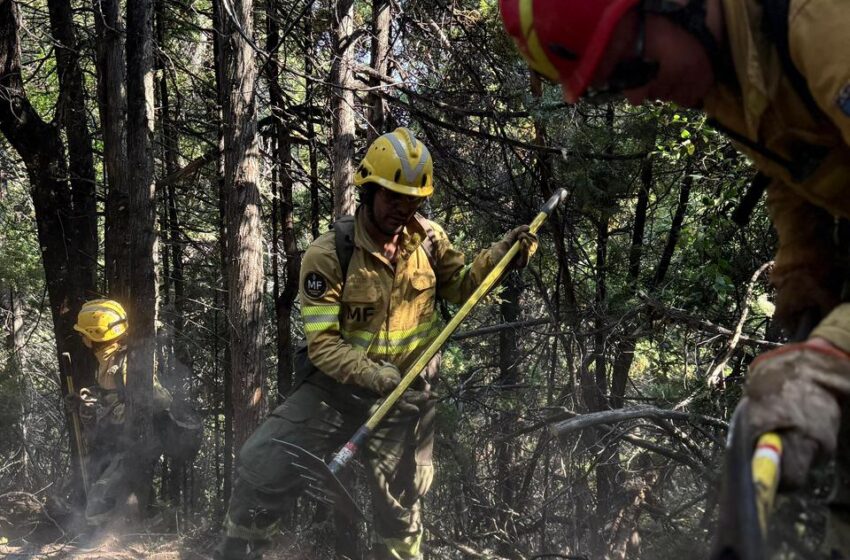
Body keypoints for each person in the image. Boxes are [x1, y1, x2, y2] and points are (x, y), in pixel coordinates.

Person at [499, 0, 850, 555]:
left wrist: (832, 358)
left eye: (632, 67)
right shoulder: (730, 72)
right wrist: (807, 265)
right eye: (614, 87)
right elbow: (790, 166)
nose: (637, 96)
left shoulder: (821, 22)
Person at [214, 127, 538, 560]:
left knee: (401, 504)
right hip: (334, 391)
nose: (403, 210)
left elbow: (462, 288)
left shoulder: (429, 240)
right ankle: (240, 551)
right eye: (393, 198)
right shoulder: (328, 255)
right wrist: (374, 375)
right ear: (368, 190)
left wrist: (503, 254)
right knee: (262, 463)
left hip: (404, 397)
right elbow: (324, 345)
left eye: (413, 200)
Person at [71, 299, 175, 525]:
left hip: (137, 441)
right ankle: (148, 523)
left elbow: (160, 400)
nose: (81, 338)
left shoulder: (126, 363)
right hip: (118, 440)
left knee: (99, 506)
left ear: (94, 336)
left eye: (83, 333)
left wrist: (115, 411)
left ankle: (114, 543)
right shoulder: (106, 361)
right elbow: (112, 393)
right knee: (101, 492)